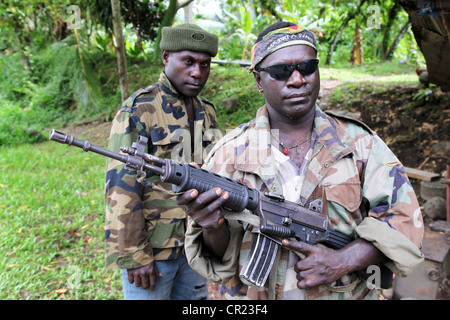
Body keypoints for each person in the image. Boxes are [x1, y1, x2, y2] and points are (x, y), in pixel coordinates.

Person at [178, 21, 424, 300]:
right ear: (259, 80)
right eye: (281, 71)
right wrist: (212, 226)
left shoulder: (360, 145)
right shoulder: (228, 155)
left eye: (307, 67)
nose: (297, 79)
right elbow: (217, 259)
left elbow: (403, 220)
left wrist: (343, 261)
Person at [105, 23, 219, 300]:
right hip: (154, 252)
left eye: (205, 64)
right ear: (166, 57)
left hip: (196, 244)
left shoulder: (208, 112)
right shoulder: (139, 109)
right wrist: (135, 254)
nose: (197, 72)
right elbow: (121, 186)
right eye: (188, 62)